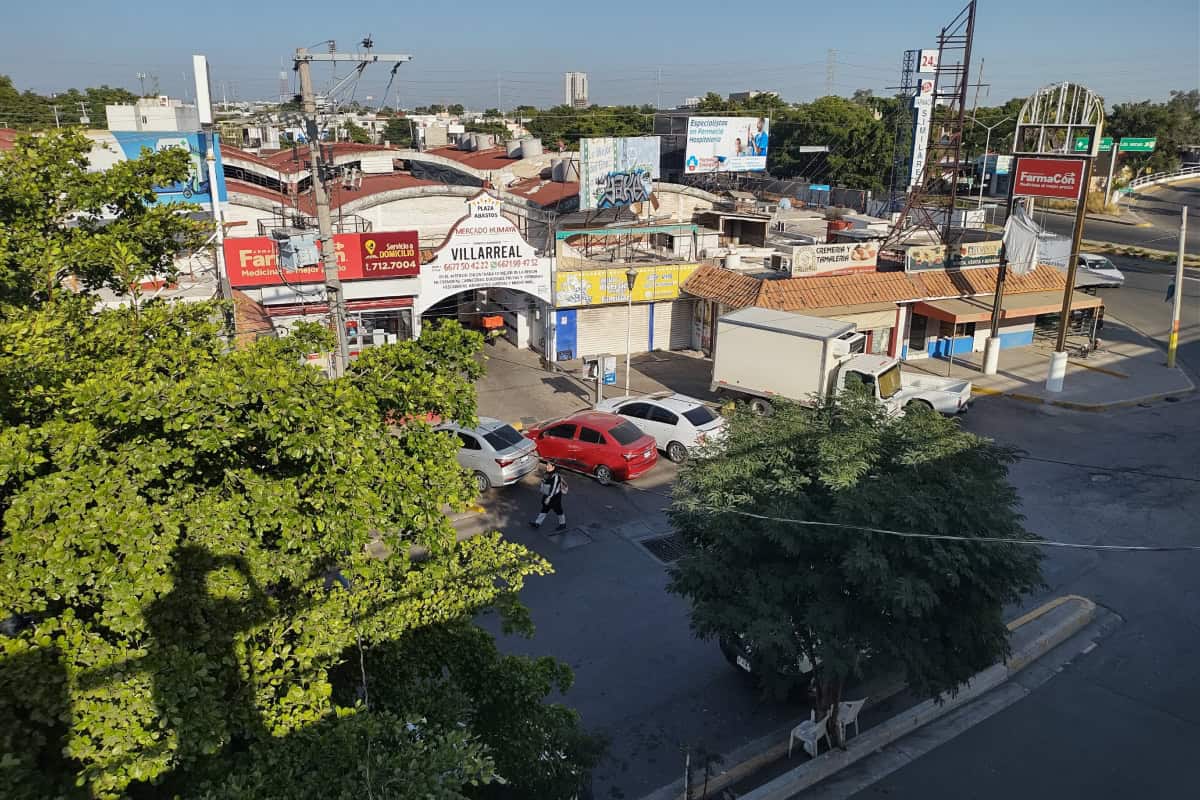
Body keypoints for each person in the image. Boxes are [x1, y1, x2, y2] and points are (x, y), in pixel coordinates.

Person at [530, 461, 567, 531]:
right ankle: (537, 523)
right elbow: (543, 482)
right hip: (547, 495)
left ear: (553, 467)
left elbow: (554, 488)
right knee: (544, 509)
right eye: (547, 465)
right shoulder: (546, 473)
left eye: (549, 466)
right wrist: (542, 489)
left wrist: (549, 498)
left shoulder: (556, 477)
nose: (547, 467)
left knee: (558, 510)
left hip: (555, 497)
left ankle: (563, 524)